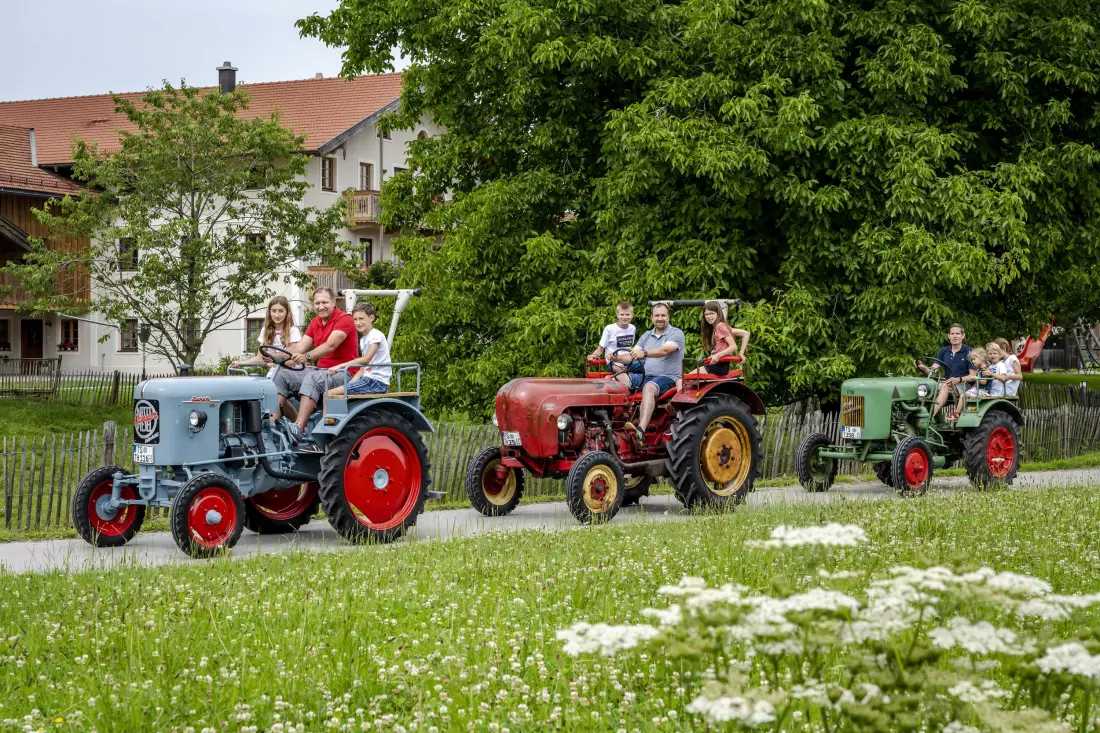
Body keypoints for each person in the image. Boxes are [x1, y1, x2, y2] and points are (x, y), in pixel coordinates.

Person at [273, 288, 359, 442]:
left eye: (325, 302)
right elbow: (300, 347)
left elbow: (330, 345)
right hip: (322, 371)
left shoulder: (345, 319)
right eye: (317, 303)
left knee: (313, 377)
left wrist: (307, 356)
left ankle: (299, 427)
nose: (321, 306)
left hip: (345, 373)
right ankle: (271, 426)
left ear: (334, 302)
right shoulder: (316, 322)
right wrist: (278, 355)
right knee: (281, 375)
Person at [621, 303, 684, 444]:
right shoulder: (646, 335)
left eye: (663, 315)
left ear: (668, 317)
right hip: (646, 376)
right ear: (652, 318)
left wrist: (644, 353)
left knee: (649, 387)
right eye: (657, 315)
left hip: (668, 377)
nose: (660, 318)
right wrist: (615, 358)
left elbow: (665, 350)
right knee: (613, 381)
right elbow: (631, 355)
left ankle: (640, 431)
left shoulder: (676, 333)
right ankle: (614, 426)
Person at [326, 302, 392, 397]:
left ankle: (327, 412)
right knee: (333, 393)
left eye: (361, 319)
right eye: (355, 319)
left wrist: (339, 366)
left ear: (371, 318)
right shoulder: (363, 339)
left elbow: (366, 359)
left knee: (328, 394)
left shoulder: (376, 335)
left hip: (376, 381)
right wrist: (349, 385)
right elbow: (363, 368)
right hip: (368, 379)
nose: (357, 323)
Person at [232, 295, 302, 379]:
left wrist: (273, 361)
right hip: (274, 373)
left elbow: (293, 361)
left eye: (281, 311)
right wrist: (241, 363)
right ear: (269, 312)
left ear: (287, 312)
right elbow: (260, 357)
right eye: (274, 311)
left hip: (291, 373)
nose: (277, 315)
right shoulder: (265, 330)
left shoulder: (293, 331)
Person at [915, 323, 975, 418]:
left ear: (963, 336)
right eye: (952, 334)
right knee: (924, 387)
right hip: (947, 382)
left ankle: (930, 417)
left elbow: (972, 376)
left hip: (964, 384)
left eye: (957, 334)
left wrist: (959, 379)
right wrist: (923, 367)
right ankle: (917, 415)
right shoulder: (944, 350)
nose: (955, 336)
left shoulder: (969, 351)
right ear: (948, 336)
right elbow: (933, 370)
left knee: (944, 386)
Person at [692, 300, 750, 376]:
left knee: (684, 379)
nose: (708, 316)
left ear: (718, 313)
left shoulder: (720, 326)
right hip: (720, 366)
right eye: (706, 314)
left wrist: (718, 355)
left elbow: (733, 347)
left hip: (718, 367)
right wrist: (741, 353)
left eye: (711, 313)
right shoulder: (720, 327)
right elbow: (746, 333)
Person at [588, 301, 641, 376]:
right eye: (622, 314)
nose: (625, 317)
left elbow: (629, 347)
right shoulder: (610, 329)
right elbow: (600, 349)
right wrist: (593, 355)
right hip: (613, 362)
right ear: (617, 315)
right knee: (620, 366)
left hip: (628, 360)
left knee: (646, 365)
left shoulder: (632, 328)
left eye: (627, 314)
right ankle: (629, 382)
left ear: (632, 315)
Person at [949, 348, 993, 419]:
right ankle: (961, 412)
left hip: (984, 391)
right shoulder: (980, 369)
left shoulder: (985, 369)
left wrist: (976, 378)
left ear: (981, 358)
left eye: (974, 359)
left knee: (963, 395)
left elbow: (984, 382)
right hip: (979, 389)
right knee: (965, 394)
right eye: (972, 360)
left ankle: (957, 413)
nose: (972, 361)